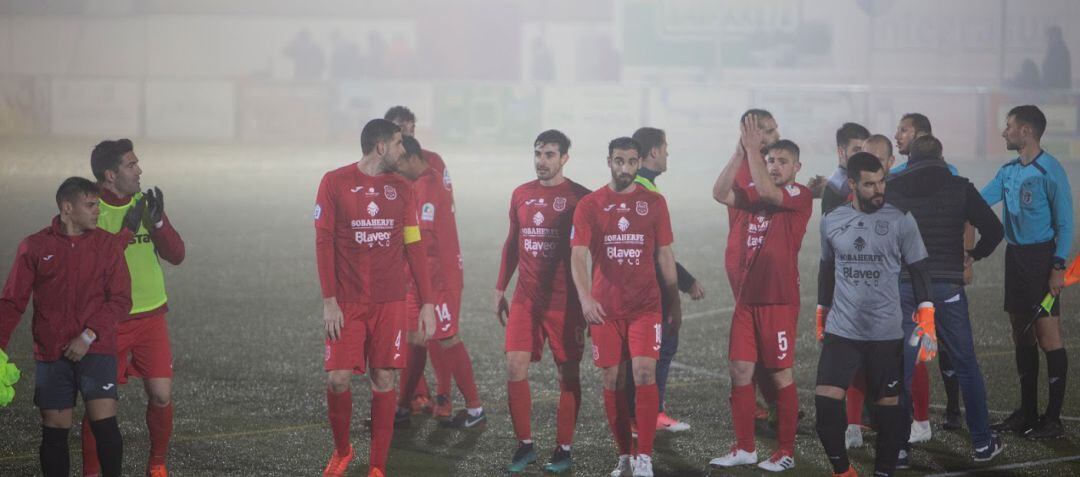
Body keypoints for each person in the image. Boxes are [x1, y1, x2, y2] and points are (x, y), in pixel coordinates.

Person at [315, 118, 438, 477]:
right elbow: (323, 243)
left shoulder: (402, 188)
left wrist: (427, 302)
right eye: (400, 143)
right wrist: (329, 300)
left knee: (384, 379)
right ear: (381, 146)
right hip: (348, 303)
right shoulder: (334, 182)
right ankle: (342, 451)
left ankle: (377, 467)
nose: (405, 149)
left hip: (390, 303)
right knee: (337, 379)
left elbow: (413, 245)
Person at [0, 177, 140, 477]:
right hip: (52, 353)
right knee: (54, 431)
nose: (97, 212)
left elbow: (120, 300)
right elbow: (12, 302)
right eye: (90, 205)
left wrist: (88, 336)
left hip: (96, 349)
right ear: (67, 207)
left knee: (104, 425)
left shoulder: (106, 246)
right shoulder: (35, 247)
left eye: (98, 206)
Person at [886, 134, 1006, 465]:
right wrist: (972, 255)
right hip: (947, 287)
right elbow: (995, 231)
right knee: (965, 363)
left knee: (901, 368)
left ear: (910, 158)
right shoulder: (960, 186)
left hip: (907, 287)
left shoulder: (894, 189)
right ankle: (982, 443)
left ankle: (897, 448)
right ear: (941, 155)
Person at [815, 152, 935, 477]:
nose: (878, 189)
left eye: (881, 181)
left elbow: (920, 269)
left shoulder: (901, 220)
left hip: (885, 334)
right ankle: (843, 472)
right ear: (852, 184)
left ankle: (884, 472)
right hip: (842, 331)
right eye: (869, 184)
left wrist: (927, 316)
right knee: (825, 406)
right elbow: (827, 269)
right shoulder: (831, 219)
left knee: (888, 414)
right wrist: (820, 311)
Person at [570, 137, 681, 477]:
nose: (626, 169)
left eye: (631, 162)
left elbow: (664, 254)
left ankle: (644, 457)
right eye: (619, 161)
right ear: (609, 161)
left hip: (646, 307)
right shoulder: (590, 204)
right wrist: (587, 299)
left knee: (644, 373)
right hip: (606, 310)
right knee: (613, 381)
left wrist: (674, 298)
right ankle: (624, 457)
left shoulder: (655, 203)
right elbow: (577, 256)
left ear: (638, 162)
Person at [710, 119, 811, 471]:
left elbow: (769, 192)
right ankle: (744, 448)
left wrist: (754, 149)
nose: (776, 166)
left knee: (781, 374)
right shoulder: (754, 197)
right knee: (739, 371)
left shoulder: (798, 196)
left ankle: (785, 451)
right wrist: (739, 152)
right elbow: (720, 193)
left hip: (777, 302)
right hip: (747, 301)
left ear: (797, 168)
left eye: (783, 161)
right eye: (772, 161)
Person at [83, 138, 186, 477]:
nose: (139, 170)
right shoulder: (90, 208)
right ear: (110, 175)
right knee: (101, 407)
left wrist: (157, 224)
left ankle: (157, 463)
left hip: (151, 317)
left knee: (160, 395)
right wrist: (128, 230)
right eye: (131, 165)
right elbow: (95, 263)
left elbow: (176, 255)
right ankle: (92, 471)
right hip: (108, 322)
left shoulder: (145, 202)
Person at [494, 130, 591, 473]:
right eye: (538, 153)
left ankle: (563, 448)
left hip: (565, 304)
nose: (542, 161)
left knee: (568, 373)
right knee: (514, 366)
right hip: (525, 299)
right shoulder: (521, 194)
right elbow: (512, 243)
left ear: (565, 158)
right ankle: (525, 446)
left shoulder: (582, 198)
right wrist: (499, 287)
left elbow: (601, 253)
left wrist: (593, 299)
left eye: (550, 154)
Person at [385, 106, 481, 423]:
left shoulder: (430, 172)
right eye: (396, 128)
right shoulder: (392, 167)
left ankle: (451, 398)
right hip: (412, 271)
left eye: (405, 127)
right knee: (414, 337)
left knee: (443, 336)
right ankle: (407, 401)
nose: (402, 132)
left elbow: (427, 227)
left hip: (437, 272)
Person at [983, 105, 1074, 439]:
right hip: (1016, 260)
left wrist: (1058, 267)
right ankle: (1027, 412)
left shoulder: (1051, 171)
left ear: (1026, 131)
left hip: (1042, 262)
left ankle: (1053, 420)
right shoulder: (1007, 171)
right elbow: (980, 201)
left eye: (1009, 126)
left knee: (1048, 336)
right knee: (1020, 334)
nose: (1004, 132)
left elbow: (1065, 224)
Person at [889, 115, 961, 442]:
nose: (897, 135)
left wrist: (967, 258)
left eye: (903, 130)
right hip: (910, 273)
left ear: (919, 136)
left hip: (939, 271)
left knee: (945, 341)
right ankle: (914, 419)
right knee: (912, 344)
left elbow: (965, 216)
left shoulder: (950, 175)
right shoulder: (895, 177)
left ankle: (951, 408)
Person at [627, 126, 705, 433]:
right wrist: (686, 283)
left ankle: (637, 414)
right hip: (649, 289)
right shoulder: (647, 191)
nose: (668, 153)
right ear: (655, 152)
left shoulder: (637, 185)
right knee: (661, 348)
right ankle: (651, 413)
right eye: (666, 147)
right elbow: (656, 251)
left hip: (632, 285)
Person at [820, 123, 871, 215]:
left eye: (866, 151)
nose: (863, 156)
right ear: (841, 152)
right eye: (856, 150)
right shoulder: (836, 187)